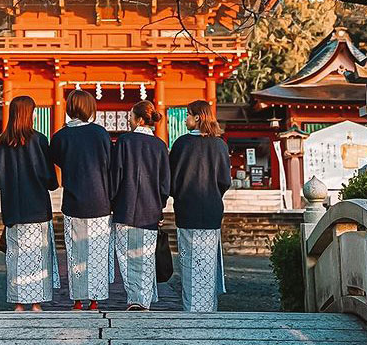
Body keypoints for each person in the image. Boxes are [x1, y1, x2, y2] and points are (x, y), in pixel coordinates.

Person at [0, 95, 60, 312]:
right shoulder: (39, 140)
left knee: (16, 256)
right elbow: (49, 177)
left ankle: (18, 302)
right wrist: (51, 183)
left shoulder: (3, 142)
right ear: (28, 113)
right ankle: (36, 303)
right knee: (37, 256)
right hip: (37, 208)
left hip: (13, 208)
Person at [50, 90, 113, 310]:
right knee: (96, 251)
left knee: (76, 251)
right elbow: (109, 164)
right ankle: (95, 299)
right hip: (100, 200)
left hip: (74, 200)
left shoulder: (60, 136)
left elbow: (57, 160)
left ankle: (77, 299)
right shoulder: (100, 133)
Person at [169, 99, 231, 312]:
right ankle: (208, 308)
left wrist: (178, 194)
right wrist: (214, 194)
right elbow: (225, 180)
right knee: (207, 261)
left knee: (189, 265)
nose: (185, 118)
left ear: (197, 117)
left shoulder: (181, 144)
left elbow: (172, 180)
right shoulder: (220, 145)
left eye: (187, 114)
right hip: (212, 210)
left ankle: (191, 307)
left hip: (186, 209)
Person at [111, 100, 170, 310]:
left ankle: (135, 298)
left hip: (124, 208)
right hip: (151, 209)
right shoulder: (160, 145)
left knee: (126, 256)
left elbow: (115, 175)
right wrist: (160, 205)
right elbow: (165, 183)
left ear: (139, 119)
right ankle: (143, 299)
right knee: (145, 256)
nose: (128, 119)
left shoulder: (124, 142)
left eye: (130, 115)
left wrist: (112, 199)